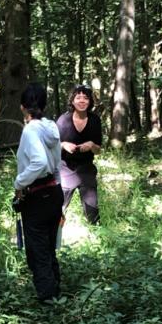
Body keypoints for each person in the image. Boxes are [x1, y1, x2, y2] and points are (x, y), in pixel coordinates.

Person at [13, 83, 63, 303]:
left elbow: (40, 162)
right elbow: (57, 163)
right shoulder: (51, 127)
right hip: (54, 191)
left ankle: (48, 300)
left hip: (38, 196)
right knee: (49, 247)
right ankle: (55, 291)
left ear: (23, 107)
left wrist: (19, 183)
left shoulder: (31, 129)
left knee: (38, 251)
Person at [56, 84, 102, 224]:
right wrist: (63, 145)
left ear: (90, 101)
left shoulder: (95, 120)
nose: (82, 101)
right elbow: (52, 147)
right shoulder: (63, 120)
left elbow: (98, 150)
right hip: (65, 169)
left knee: (92, 211)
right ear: (72, 100)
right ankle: (54, 238)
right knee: (58, 209)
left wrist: (91, 145)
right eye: (78, 97)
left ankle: (96, 237)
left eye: (85, 98)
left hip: (86, 169)